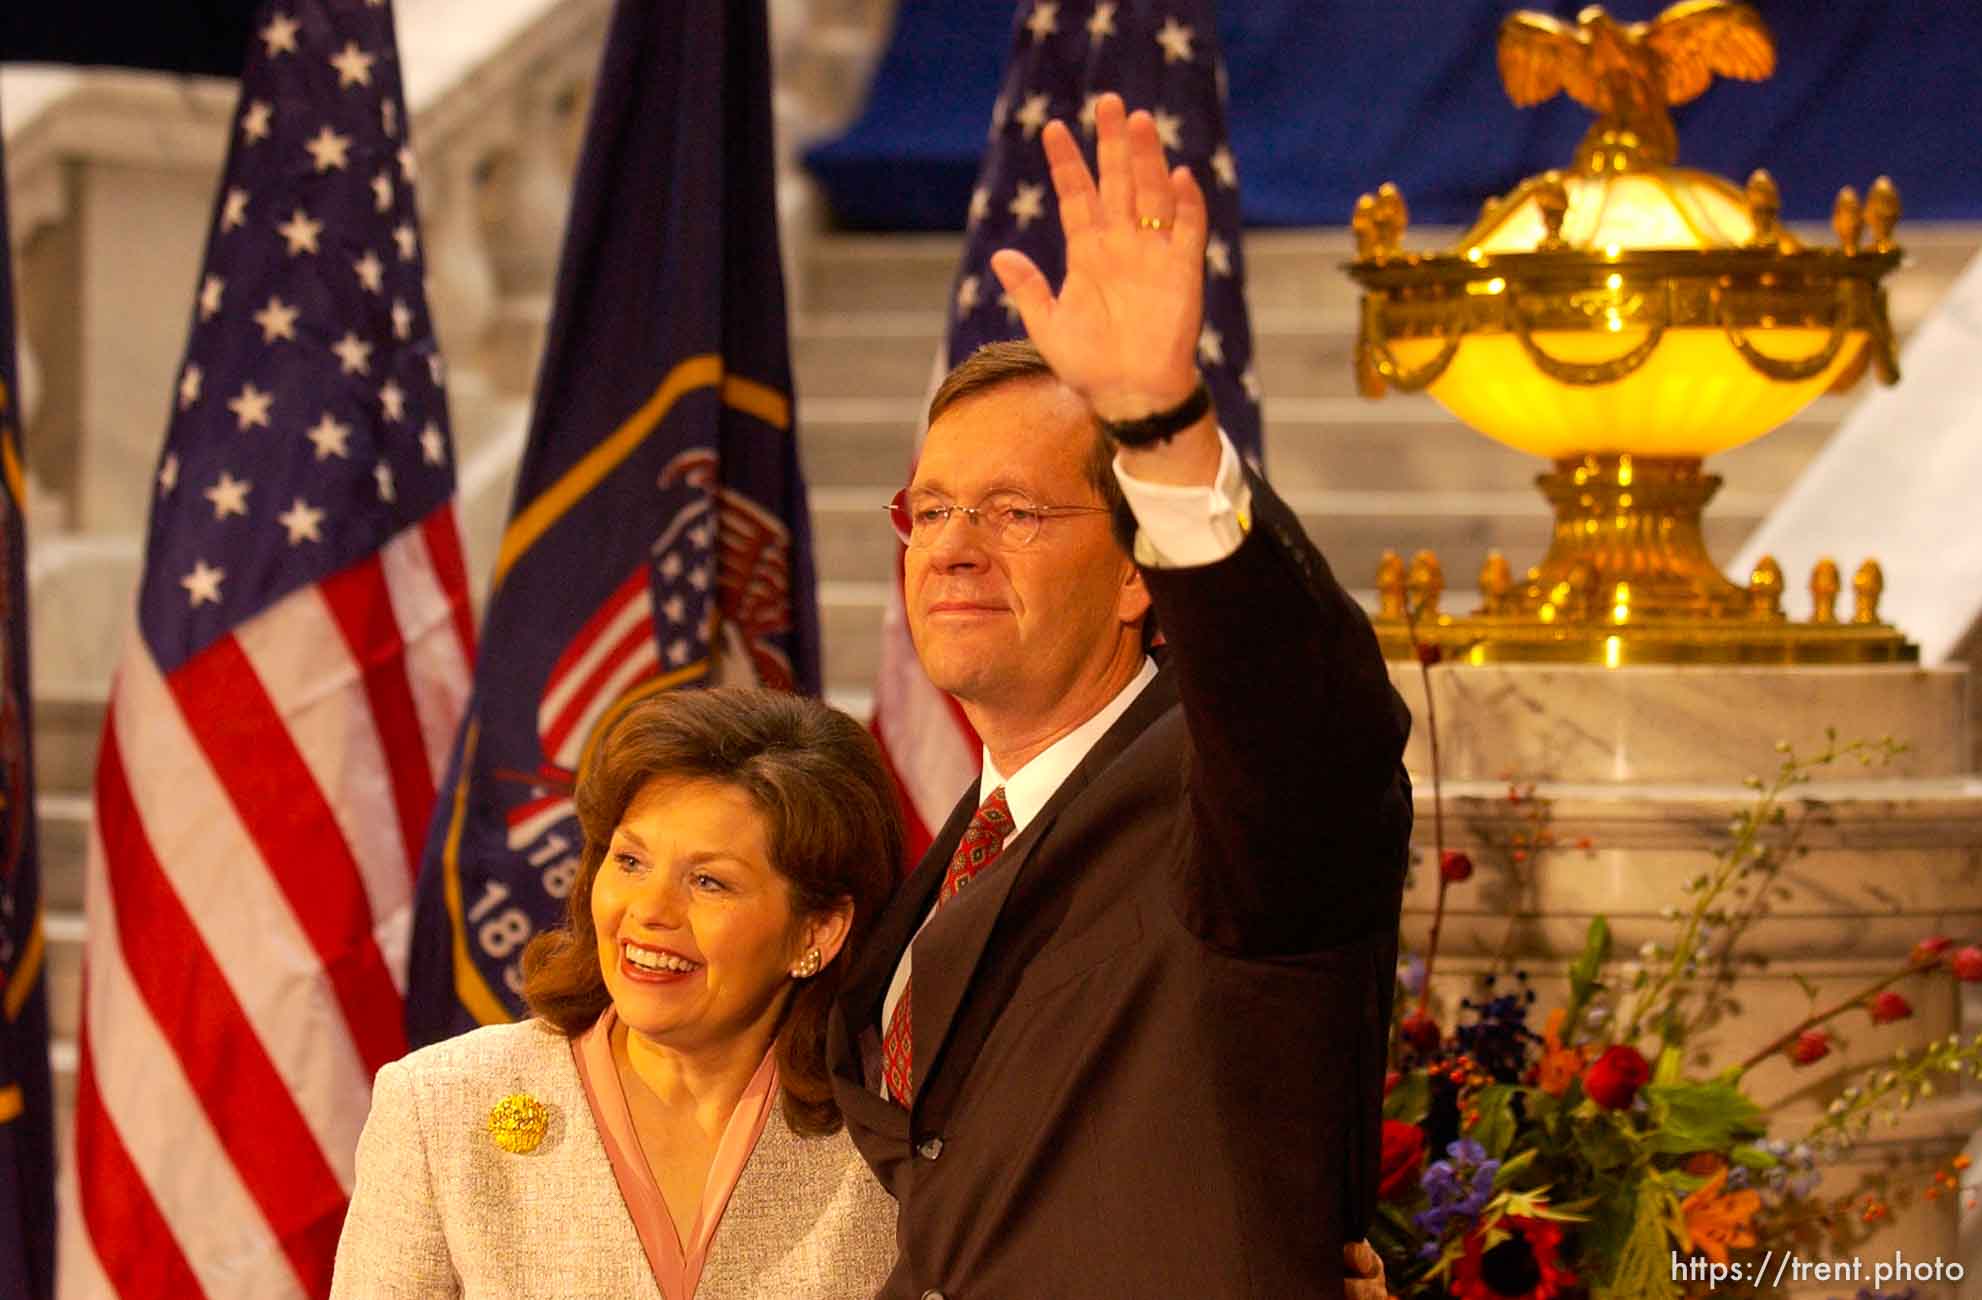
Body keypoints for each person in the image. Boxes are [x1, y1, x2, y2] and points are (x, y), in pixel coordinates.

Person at [826, 93, 1413, 1298]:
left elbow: (1312, 722)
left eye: (1014, 511)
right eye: (930, 509)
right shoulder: (951, 855)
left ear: (1141, 563)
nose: (950, 545)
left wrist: (1162, 430)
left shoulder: (1223, 803)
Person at [332, 687, 900, 1299]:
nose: (649, 910)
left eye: (709, 881)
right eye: (629, 862)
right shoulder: (439, 1106)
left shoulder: (893, 1122)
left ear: (817, 929)